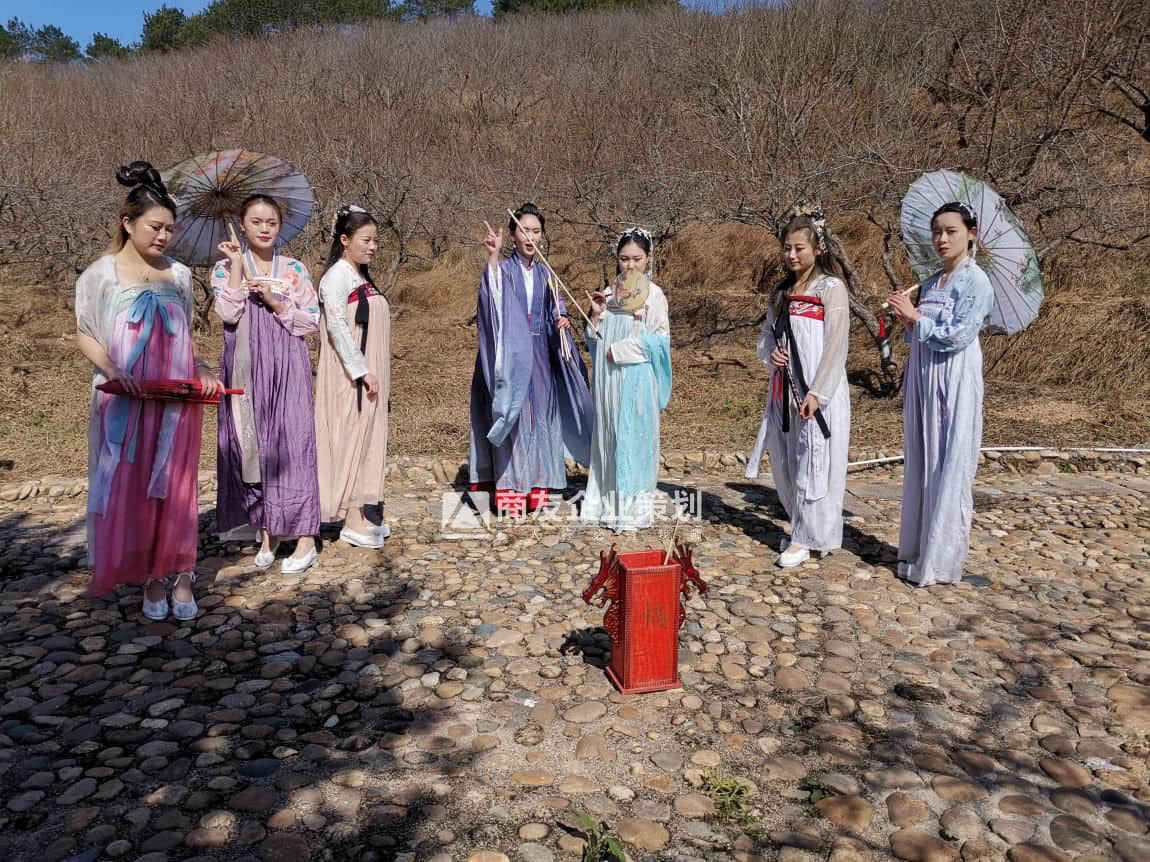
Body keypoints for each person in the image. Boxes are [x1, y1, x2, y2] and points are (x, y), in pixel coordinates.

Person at [75, 161, 221, 619]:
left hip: (176, 398)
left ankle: (180, 572)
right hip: (126, 398)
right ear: (128, 222)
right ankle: (149, 576)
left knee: (176, 486)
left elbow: (187, 336)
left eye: (170, 229)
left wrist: (203, 367)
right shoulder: (101, 273)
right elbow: (86, 332)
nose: (163, 236)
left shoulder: (179, 275)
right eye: (155, 227)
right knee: (132, 483)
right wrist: (112, 368)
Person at [887, 201, 994, 586]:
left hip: (953, 377)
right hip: (923, 376)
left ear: (971, 234)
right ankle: (918, 551)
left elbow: (959, 335)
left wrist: (916, 318)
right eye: (937, 232)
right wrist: (907, 318)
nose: (942, 239)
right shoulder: (932, 282)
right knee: (923, 458)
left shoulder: (976, 282)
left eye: (951, 231)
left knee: (948, 462)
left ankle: (942, 561)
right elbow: (920, 332)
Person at [212, 194, 321, 574]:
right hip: (244, 364)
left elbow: (311, 321)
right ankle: (269, 531)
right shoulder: (224, 268)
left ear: (280, 226)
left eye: (271, 222)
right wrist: (236, 268)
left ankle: (306, 537)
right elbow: (227, 314)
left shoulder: (293, 269)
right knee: (252, 446)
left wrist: (276, 302)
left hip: (287, 364)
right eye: (256, 221)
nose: (263, 228)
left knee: (294, 442)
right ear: (242, 225)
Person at [468, 203, 592, 517]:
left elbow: (556, 308)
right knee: (514, 416)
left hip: (540, 357)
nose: (530, 237)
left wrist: (561, 321)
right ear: (512, 234)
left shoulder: (546, 273)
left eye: (536, 231)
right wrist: (493, 256)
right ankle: (510, 489)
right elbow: (491, 299)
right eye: (524, 230)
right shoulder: (504, 269)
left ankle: (538, 485)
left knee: (541, 417)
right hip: (511, 355)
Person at [746, 206, 850, 568]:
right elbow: (766, 335)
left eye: (799, 248)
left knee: (815, 460)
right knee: (788, 459)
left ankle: (807, 537)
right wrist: (770, 353)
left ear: (818, 249)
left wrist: (817, 392)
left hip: (818, 391)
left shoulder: (831, 288)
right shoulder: (781, 291)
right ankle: (804, 529)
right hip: (784, 389)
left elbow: (836, 344)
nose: (792, 255)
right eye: (787, 248)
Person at [581, 227, 672, 531]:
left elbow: (660, 342)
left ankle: (633, 511)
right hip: (608, 380)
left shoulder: (654, 296)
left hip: (636, 377)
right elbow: (594, 341)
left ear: (648, 259)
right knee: (608, 435)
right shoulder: (609, 293)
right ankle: (605, 504)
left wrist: (620, 350)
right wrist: (595, 317)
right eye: (624, 259)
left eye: (637, 259)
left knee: (633, 437)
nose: (630, 265)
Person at [314, 205, 391, 548]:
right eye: (366, 240)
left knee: (367, 437)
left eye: (376, 240)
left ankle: (360, 510)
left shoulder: (359, 276)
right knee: (350, 437)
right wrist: (360, 370)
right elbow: (337, 326)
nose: (373, 247)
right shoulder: (337, 277)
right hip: (350, 376)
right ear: (345, 240)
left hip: (367, 372)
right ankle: (350, 516)